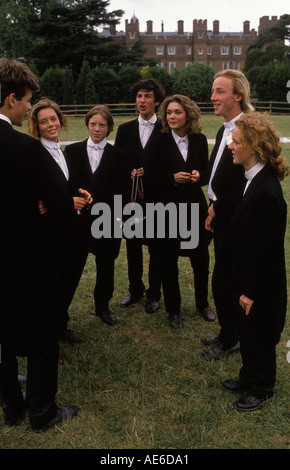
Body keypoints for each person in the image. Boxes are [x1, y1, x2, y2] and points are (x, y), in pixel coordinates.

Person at [0, 58, 79, 432]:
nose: (30, 107)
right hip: (27, 257)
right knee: (42, 333)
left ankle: (11, 407)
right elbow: (61, 205)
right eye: (28, 100)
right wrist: (58, 203)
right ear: (11, 98)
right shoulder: (25, 148)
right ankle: (42, 412)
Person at [223, 112, 289, 411]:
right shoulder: (252, 179)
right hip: (247, 274)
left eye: (236, 142)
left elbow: (266, 251)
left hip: (260, 283)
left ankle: (261, 387)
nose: (230, 146)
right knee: (246, 331)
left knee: (258, 333)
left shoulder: (267, 192)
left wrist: (249, 290)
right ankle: (248, 376)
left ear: (254, 146)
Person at [144, 94, 214, 327]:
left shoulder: (200, 140)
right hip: (166, 212)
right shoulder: (157, 142)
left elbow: (206, 174)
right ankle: (174, 310)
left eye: (177, 112)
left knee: (201, 259)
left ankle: (202, 304)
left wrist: (198, 177)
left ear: (189, 115)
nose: (172, 116)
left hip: (195, 210)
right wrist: (172, 178)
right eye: (169, 112)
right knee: (168, 261)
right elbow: (149, 180)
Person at [27, 98, 92, 347]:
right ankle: (48, 340)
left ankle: (61, 327)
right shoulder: (35, 152)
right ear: (36, 126)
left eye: (53, 119)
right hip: (51, 231)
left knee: (68, 281)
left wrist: (80, 192)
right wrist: (67, 203)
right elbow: (35, 190)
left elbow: (63, 185)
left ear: (60, 119)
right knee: (51, 287)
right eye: (43, 121)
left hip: (71, 230)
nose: (50, 124)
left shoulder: (61, 150)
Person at [201, 69, 254, 360]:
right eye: (213, 91)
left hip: (234, 219)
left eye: (219, 91)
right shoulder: (225, 128)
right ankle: (227, 331)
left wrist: (217, 208)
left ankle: (231, 337)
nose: (212, 97)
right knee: (223, 278)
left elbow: (245, 183)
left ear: (238, 95)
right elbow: (219, 173)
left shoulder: (246, 130)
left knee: (226, 281)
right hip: (219, 212)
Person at [65, 105, 123, 326]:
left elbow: (122, 192)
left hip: (107, 220)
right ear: (87, 124)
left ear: (109, 128)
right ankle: (63, 310)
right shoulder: (72, 151)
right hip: (78, 221)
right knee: (71, 266)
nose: (97, 129)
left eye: (102, 125)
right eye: (93, 124)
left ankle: (103, 306)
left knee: (106, 265)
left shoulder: (119, 155)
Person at [114, 79, 165, 313]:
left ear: (156, 100)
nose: (142, 101)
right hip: (131, 201)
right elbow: (118, 162)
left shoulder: (166, 127)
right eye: (139, 96)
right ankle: (135, 289)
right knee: (133, 247)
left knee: (156, 248)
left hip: (158, 199)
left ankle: (154, 293)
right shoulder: (124, 130)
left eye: (146, 96)